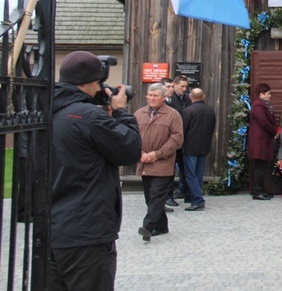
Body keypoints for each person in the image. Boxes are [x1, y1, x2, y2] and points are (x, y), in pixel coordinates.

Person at [49, 51, 141, 291]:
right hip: (87, 230)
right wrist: (121, 112)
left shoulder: (48, 112)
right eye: (100, 82)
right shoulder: (88, 116)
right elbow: (130, 150)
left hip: (53, 227)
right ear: (88, 83)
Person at [134, 83, 183, 241]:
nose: (153, 98)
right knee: (149, 197)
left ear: (163, 98)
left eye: (156, 96)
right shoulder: (139, 114)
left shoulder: (173, 115)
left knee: (156, 196)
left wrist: (157, 154)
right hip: (144, 162)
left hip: (163, 163)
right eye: (150, 95)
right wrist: (141, 153)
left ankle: (147, 227)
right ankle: (162, 226)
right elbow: (132, 135)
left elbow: (177, 139)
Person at [180, 88, 216, 211]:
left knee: (190, 174)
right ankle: (195, 195)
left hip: (190, 147)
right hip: (204, 146)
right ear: (203, 96)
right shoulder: (210, 110)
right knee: (199, 174)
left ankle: (197, 200)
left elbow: (183, 131)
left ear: (191, 96)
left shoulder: (187, 111)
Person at [248, 83, 277, 201]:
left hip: (263, 140)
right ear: (261, 94)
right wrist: (274, 130)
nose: (270, 96)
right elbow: (263, 122)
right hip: (260, 141)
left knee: (262, 166)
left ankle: (261, 190)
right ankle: (257, 191)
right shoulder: (259, 106)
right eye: (268, 93)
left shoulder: (262, 105)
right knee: (260, 166)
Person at [166, 74, 190, 206]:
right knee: (170, 168)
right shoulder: (170, 100)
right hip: (172, 139)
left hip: (184, 139)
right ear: (175, 86)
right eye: (182, 86)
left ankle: (182, 190)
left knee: (183, 167)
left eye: (186, 86)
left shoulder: (186, 98)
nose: (184, 89)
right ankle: (168, 195)